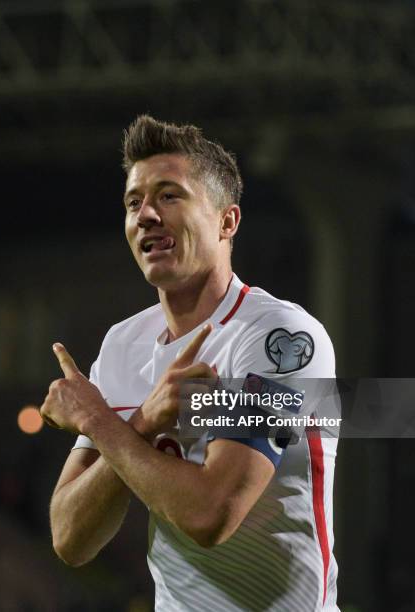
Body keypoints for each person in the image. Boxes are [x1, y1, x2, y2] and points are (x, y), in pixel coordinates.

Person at [41, 115, 339, 611]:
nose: (146, 215)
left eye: (169, 195)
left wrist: (99, 419)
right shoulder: (122, 346)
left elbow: (211, 516)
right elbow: (70, 538)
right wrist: (139, 424)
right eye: (134, 202)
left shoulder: (279, 338)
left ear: (227, 221)